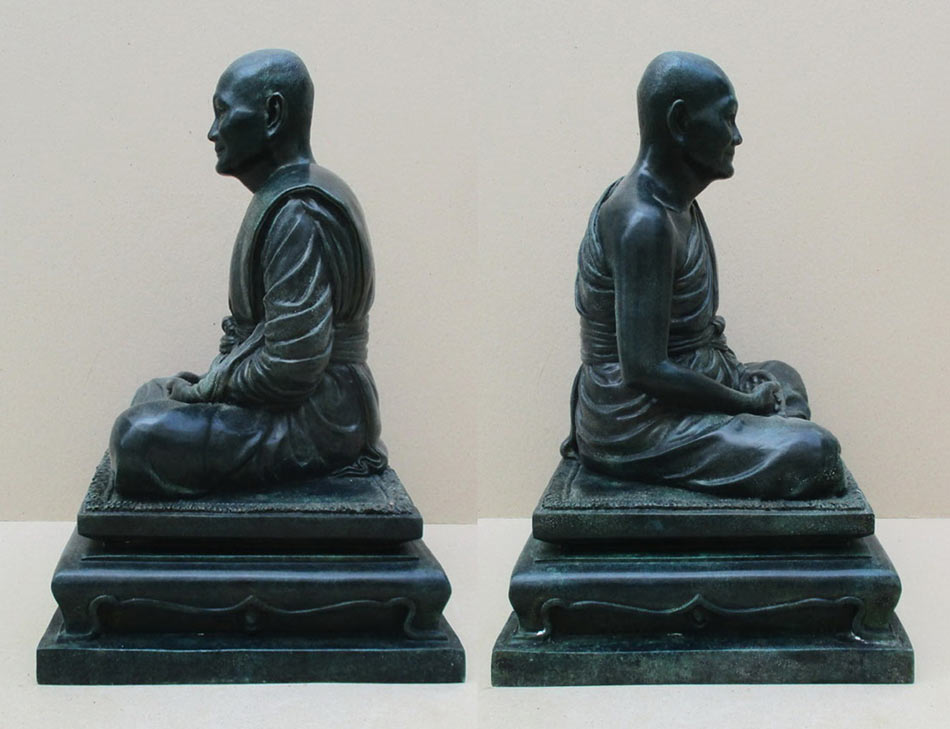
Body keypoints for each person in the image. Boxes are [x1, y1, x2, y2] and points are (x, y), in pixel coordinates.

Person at [561, 52, 843, 499]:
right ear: (680, 123)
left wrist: (745, 391)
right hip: (638, 418)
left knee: (783, 375)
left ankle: (764, 438)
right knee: (816, 451)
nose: (737, 136)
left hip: (690, 375)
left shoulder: (678, 204)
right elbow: (645, 370)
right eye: (727, 118)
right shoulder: (643, 222)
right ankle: (765, 441)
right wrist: (744, 402)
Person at [110, 49, 386, 498]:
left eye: (223, 112)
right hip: (291, 402)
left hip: (321, 418)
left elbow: (291, 368)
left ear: (272, 114)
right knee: (151, 395)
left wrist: (208, 390)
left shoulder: (299, 210)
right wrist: (209, 385)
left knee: (136, 436)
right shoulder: (285, 197)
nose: (212, 132)